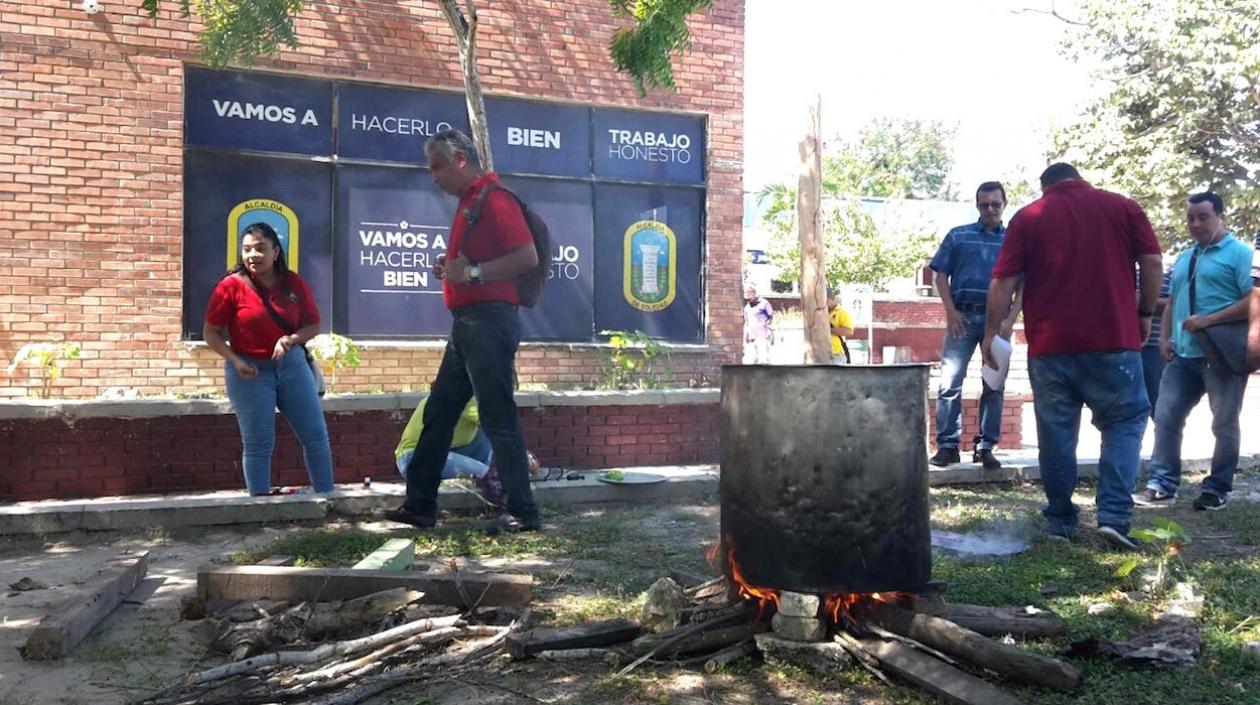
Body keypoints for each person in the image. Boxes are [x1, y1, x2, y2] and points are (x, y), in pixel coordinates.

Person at [982, 163, 1161, 549]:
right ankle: (1113, 517)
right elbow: (1152, 262)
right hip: (1114, 341)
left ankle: (1061, 519)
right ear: (1080, 179)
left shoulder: (1028, 218)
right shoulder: (1122, 207)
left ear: (1045, 187)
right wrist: (1144, 312)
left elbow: (1003, 282)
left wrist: (990, 331)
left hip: (1051, 349)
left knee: (1057, 435)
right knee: (1125, 423)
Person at [379, 129, 542, 533]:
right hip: (467, 324)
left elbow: (527, 256)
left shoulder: (495, 198)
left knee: (497, 416)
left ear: (461, 160)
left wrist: (469, 272)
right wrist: (453, 269)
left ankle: (523, 512)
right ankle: (419, 506)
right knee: (438, 414)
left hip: (489, 321)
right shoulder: (471, 201)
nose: (434, 177)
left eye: (438, 166)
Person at [1137, 192, 1251, 511]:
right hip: (1182, 356)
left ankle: (1217, 489)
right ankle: (1162, 484)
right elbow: (1172, 301)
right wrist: (1164, 339)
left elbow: (1253, 300)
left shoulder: (1240, 253)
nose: (1195, 224)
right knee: (1166, 416)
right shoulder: (1187, 256)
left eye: (1203, 217)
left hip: (1222, 356)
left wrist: (1209, 321)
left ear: (1220, 216)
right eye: (1191, 218)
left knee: (1224, 423)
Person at [203, 222, 335, 496]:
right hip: (248, 371)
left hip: (293, 367)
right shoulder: (229, 287)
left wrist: (291, 339)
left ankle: (327, 500)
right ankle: (260, 507)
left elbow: (313, 325)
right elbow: (211, 333)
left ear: (276, 251)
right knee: (258, 443)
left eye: (260, 249)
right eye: (247, 249)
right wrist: (235, 360)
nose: (253, 255)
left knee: (316, 437)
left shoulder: (294, 283)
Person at [929, 182, 1021, 470]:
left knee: (994, 385)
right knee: (949, 384)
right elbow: (940, 276)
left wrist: (1010, 321)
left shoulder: (1015, 242)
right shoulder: (959, 236)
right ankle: (947, 446)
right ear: (977, 205)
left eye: (995, 204)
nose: (990, 209)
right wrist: (950, 312)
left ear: (1005, 204)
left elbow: (1024, 285)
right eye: (984, 205)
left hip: (999, 322)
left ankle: (986, 447)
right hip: (963, 320)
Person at [395, 397, 542, 508]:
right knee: (484, 472)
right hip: (414, 460)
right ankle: (505, 500)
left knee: (484, 434)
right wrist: (524, 459)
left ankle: (490, 477)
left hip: (442, 452)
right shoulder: (465, 398)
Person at [1139, 267, 1173, 418]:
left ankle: (1162, 441)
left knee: (1159, 407)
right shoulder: (1123, 266)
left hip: (1154, 347)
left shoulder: (1169, 269)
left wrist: (1145, 301)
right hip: (1124, 347)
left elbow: (1174, 302)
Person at [743, 284, 775, 364]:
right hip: (751, 337)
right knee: (751, 361)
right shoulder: (747, 308)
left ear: (754, 293)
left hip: (763, 336)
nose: (747, 295)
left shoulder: (764, 303)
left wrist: (765, 325)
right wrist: (745, 336)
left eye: (748, 293)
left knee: (763, 360)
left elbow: (770, 317)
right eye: (745, 293)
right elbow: (747, 322)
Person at [827, 288, 854, 364]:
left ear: (832, 299)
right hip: (824, 352)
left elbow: (849, 331)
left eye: (826, 301)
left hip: (836, 353)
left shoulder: (841, 312)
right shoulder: (824, 312)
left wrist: (828, 330)